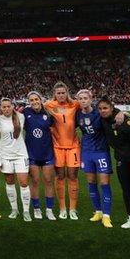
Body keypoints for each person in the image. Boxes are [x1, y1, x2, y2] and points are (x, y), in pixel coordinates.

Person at [98, 96, 130, 228]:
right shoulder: (103, 120)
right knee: (126, 190)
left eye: (105, 108)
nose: (102, 111)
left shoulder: (124, 121)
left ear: (111, 107)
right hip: (121, 160)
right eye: (100, 108)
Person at [76, 90, 113, 228]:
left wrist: (122, 113)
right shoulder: (78, 114)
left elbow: (112, 114)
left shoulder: (99, 113)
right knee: (91, 181)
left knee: (104, 182)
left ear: (91, 99)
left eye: (86, 98)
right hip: (86, 152)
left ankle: (107, 215)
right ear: (78, 100)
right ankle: (98, 211)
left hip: (101, 152)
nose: (83, 100)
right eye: (80, 98)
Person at [44, 82, 80, 220]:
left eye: (63, 92)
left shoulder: (75, 104)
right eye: (58, 93)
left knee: (72, 176)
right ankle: (62, 208)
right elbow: (32, 108)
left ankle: (72, 209)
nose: (61, 95)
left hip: (73, 146)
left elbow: (90, 106)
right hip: (57, 146)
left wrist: (119, 112)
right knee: (60, 176)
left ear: (67, 93)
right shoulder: (49, 105)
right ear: (55, 94)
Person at [0, 98, 31, 221]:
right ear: (0, 107)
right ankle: (14, 209)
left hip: (21, 154)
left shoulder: (21, 117)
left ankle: (26, 211)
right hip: (5, 155)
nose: (6, 109)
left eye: (8, 106)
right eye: (3, 107)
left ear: (12, 106)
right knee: (10, 182)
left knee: (24, 183)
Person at [23, 91, 56, 220]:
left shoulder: (48, 113)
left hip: (47, 152)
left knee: (48, 181)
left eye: (36, 99)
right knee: (35, 181)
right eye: (31, 100)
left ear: (40, 100)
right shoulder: (25, 112)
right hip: (32, 153)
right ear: (29, 102)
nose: (34, 102)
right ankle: (36, 209)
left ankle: (49, 210)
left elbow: (56, 127)